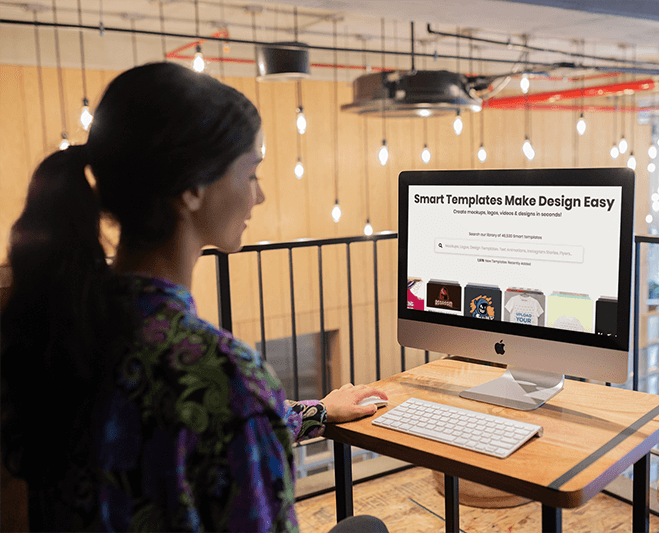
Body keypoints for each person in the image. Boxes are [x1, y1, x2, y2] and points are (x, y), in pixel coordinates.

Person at [0, 62, 389, 532]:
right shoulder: (227, 377)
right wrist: (263, 407)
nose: (259, 196)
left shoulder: (56, 331)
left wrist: (318, 412)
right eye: (251, 173)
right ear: (191, 189)